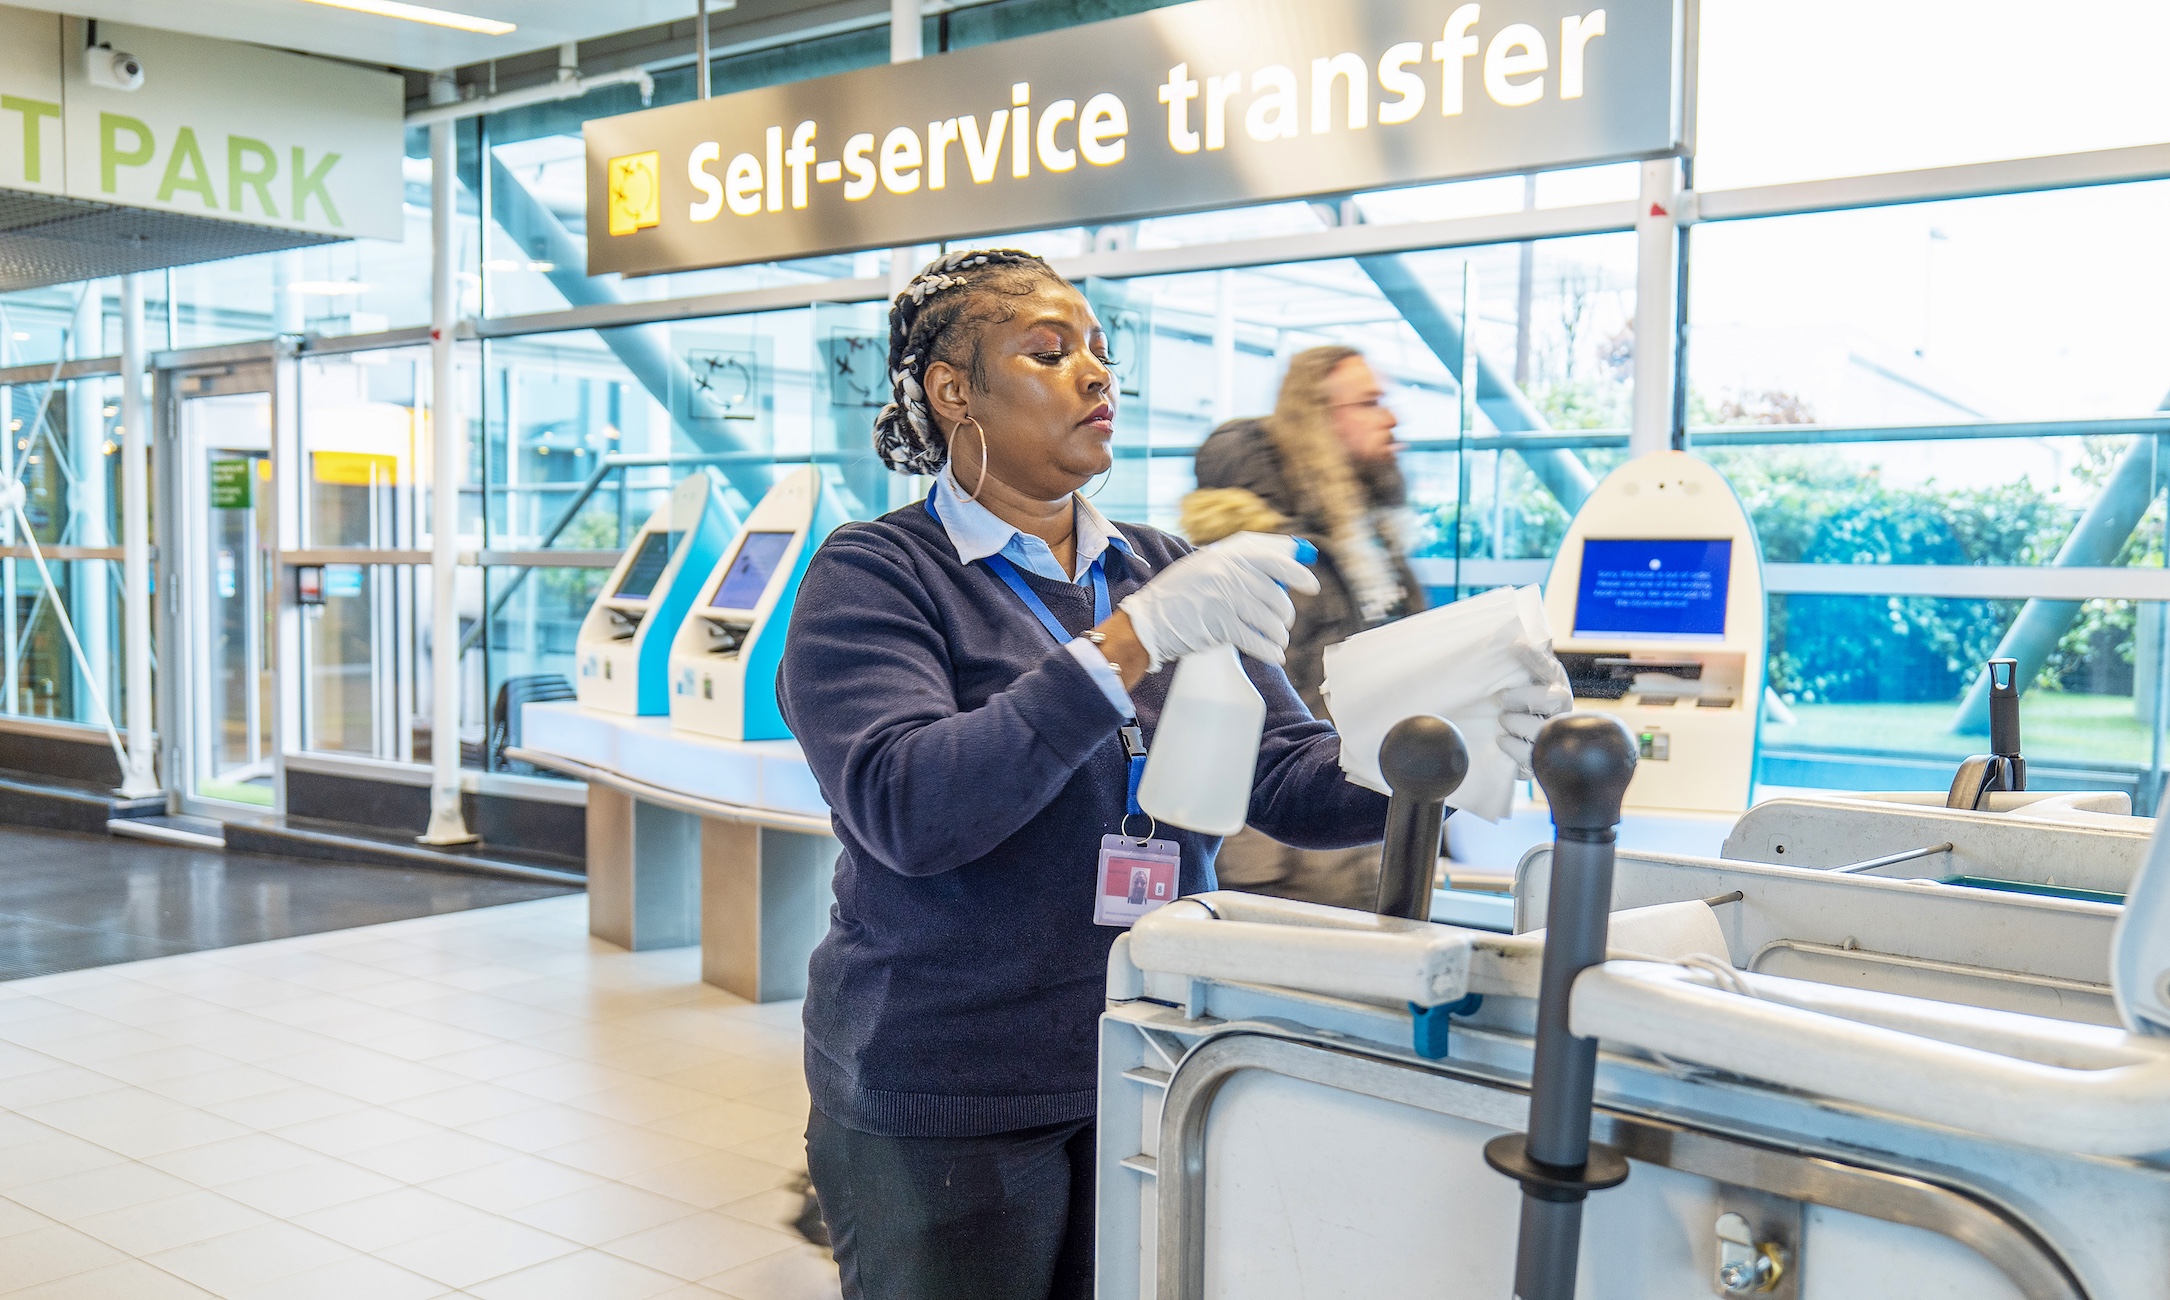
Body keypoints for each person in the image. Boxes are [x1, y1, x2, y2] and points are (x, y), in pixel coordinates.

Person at [779, 250, 1563, 1300]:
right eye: (1049, 353)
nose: (1096, 375)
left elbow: (1282, 777)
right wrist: (1127, 644)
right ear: (952, 390)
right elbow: (908, 807)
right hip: (946, 1088)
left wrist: (1446, 747)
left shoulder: (1149, 564)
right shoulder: (876, 574)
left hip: (1143, 1058)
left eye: (1100, 350)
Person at [1180, 345, 1429, 909]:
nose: (1389, 418)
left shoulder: (1365, 538)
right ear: (1317, 418)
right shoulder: (1269, 552)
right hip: (1286, 847)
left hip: (1366, 817)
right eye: (1368, 403)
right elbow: (1261, 705)